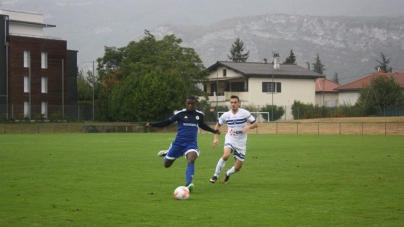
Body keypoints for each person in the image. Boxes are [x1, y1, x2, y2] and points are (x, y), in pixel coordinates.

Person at [146, 96, 220, 192]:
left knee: (191, 159)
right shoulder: (180, 114)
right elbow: (166, 122)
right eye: (188, 103)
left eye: (192, 104)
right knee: (166, 165)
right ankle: (167, 153)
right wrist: (152, 124)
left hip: (191, 144)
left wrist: (214, 131)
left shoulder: (199, 115)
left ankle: (188, 185)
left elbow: (202, 125)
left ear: (195, 104)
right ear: (186, 104)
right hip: (178, 144)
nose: (190, 105)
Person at [210, 95, 258, 184]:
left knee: (237, 168)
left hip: (241, 143)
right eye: (231, 102)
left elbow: (255, 124)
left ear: (239, 103)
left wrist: (248, 126)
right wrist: (215, 138)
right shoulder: (226, 115)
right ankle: (215, 175)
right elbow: (217, 125)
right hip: (230, 139)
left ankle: (227, 173)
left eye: (235, 102)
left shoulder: (245, 113)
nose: (233, 104)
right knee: (226, 155)